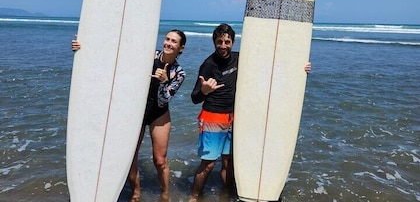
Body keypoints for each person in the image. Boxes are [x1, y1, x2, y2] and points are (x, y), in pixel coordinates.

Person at [188, 23, 311, 201]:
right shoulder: (208, 65)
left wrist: (300, 67)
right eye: (219, 42)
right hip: (213, 117)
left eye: (227, 42)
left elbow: (270, 66)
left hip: (235, 118)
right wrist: (205, 90)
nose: (223, 46)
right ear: (214, 42)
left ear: (233, 42)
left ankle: (228, 195)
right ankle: (194, 196)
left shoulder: (240, 58)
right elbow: (194, 97)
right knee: (208, 163)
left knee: (229, 162)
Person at [72, 30, 187, 202]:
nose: (168, 43)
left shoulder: (179, 73)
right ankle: (136, 192)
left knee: (160, 160)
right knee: (130, 156)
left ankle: (164, 195)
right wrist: (84, 48)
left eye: (174, 42)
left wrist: (164, 81)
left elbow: (164, 100)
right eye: (167, 39)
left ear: (181, 48)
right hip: (136, 111)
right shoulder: (149, 55)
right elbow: (117, 55)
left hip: (159, 113)